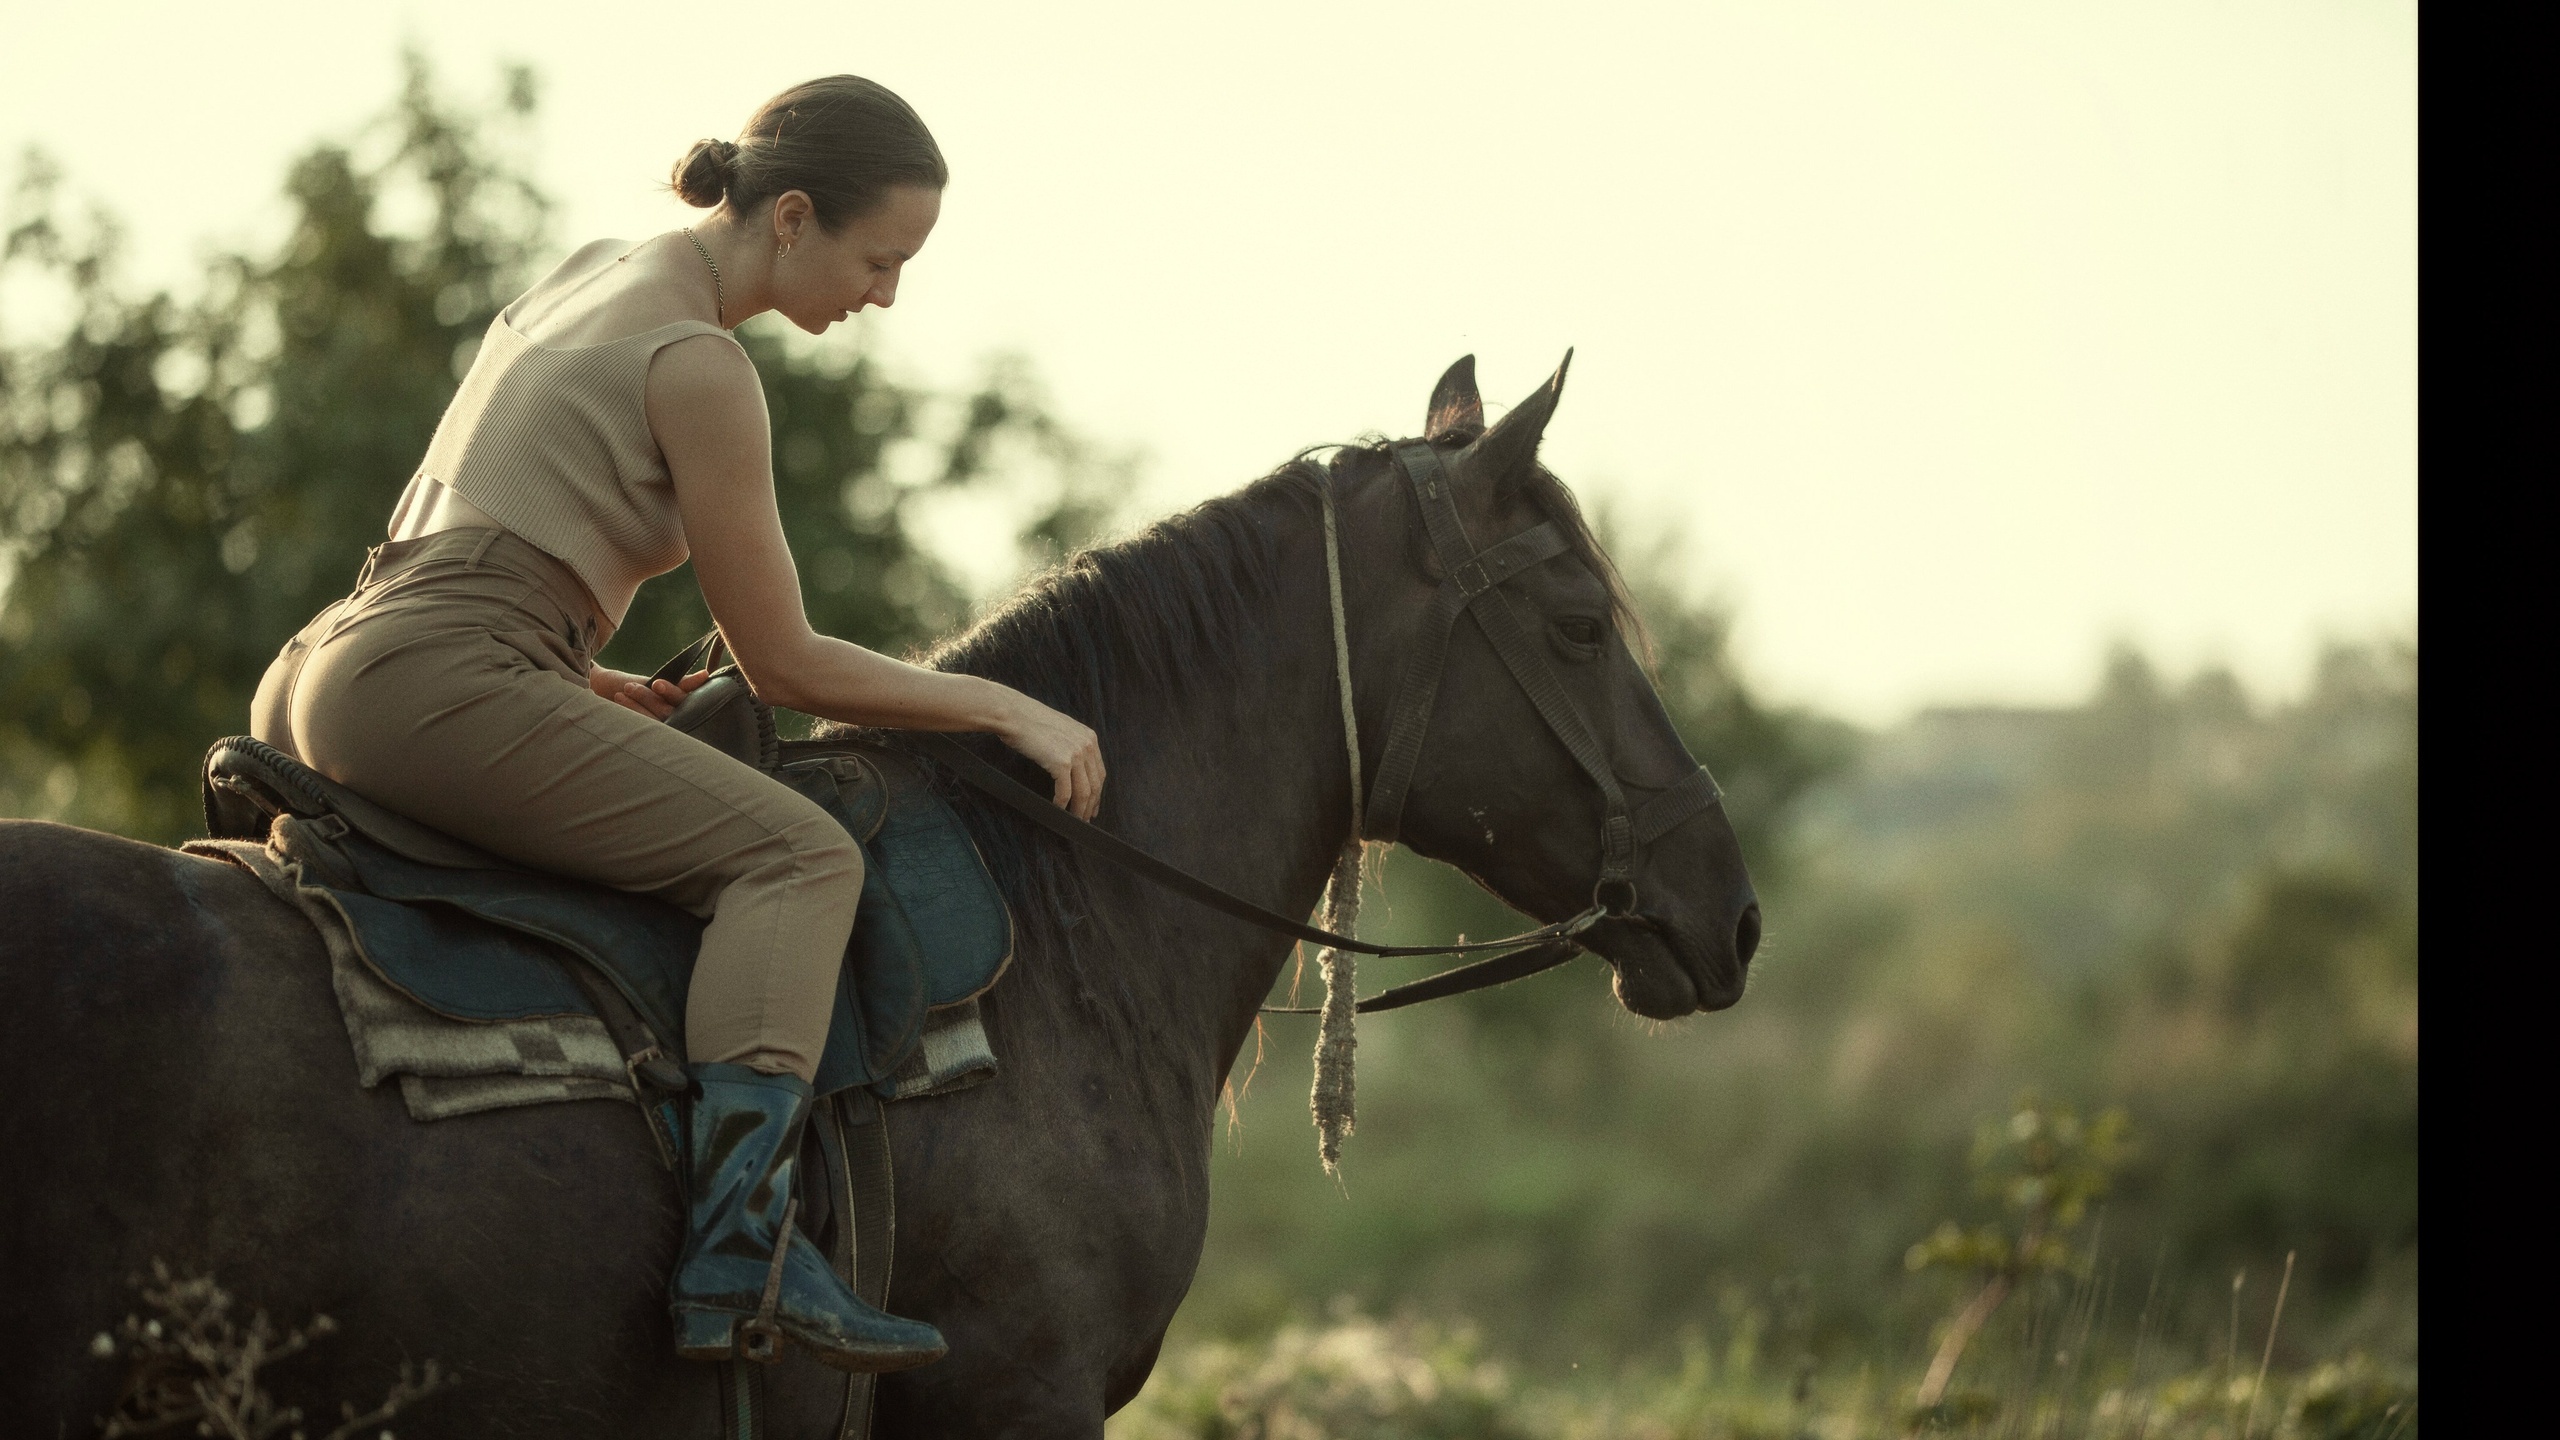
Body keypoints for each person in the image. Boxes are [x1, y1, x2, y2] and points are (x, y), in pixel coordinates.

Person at [248, 75, 1103, 1374]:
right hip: (438, 671)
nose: (885, 297)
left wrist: (588, 682)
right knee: (800, 857)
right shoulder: (703, 363)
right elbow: (784, 662)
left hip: (338, 656)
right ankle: (739, 1253)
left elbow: (479, 528)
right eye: (880, 261)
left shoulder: (595, 269)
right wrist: (1008, 705)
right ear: (793, 218)